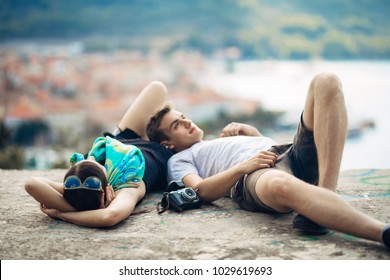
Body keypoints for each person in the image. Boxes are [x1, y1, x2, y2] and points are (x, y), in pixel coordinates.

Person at [146, 73, 390, 249]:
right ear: (167, 144)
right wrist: (243, 167)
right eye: (177, 125)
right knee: (280, 185)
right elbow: (200, 191)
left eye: (184, 117)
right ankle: (382, 233)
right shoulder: (178, 159)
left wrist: (255, 135)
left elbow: (265, 150)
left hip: (285, 153)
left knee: (326, 81)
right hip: (252, 178)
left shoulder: (210, 142)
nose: (188, 122)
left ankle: (326, 197)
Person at [25, 81, 174, 228]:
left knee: (157, 88)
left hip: (123, 138)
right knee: (180, 120)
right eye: (94, 163)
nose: (90, 157)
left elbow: (31, 184)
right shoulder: (126, 186)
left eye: (86, 159)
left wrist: (68, 209)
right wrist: (63, 216)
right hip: (163, 148)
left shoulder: (78, 185)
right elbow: (110, 216)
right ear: (105, 189)